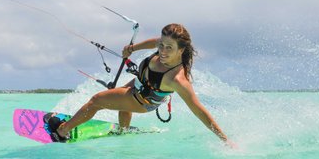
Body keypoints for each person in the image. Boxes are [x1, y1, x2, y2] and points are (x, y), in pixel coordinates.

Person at [55, 23, 234, 146]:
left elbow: (199, 111)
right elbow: (154, 42)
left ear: (181, 50)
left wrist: (224, 139)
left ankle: (63, 131)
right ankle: (124, 131)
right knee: (119, 102)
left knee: (96, 101)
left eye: (169, 48)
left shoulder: (177, 80)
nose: (162, 51)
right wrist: (132, 49)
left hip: (142, 100)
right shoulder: (163, 44)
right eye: (161, 45)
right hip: (139, 85)